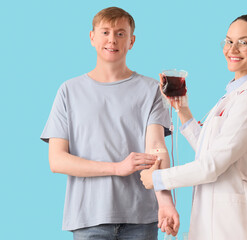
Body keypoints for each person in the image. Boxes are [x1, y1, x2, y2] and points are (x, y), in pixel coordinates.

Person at [40, 7, 179, 240]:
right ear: (92, 37)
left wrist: (166, 202)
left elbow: (156, 148)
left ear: (131, 41)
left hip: (141, 218)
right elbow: (57, 160)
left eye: (120, 33)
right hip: (89, 218)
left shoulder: (151, 89)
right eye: (105, 32)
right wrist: (116, 168)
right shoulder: (68, 91)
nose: (112, 40)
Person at [141, 14, 247, 240]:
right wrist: (182, 110)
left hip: (235, 225)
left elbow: (210, 166)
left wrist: (156, 179)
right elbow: (212, 151)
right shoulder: (235, 94)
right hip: (215, 221)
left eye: (243, 42)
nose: (232, 49)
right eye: (228, 41)